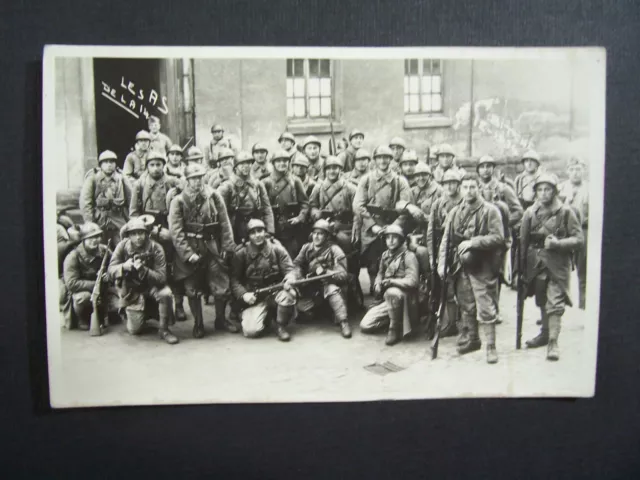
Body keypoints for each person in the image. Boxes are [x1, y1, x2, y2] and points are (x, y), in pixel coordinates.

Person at [437, 174, 506, 364]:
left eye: (473, 187)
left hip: (483, 265)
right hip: (461, 265)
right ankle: (473, 339)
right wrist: (442, 263)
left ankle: (491, 347)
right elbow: (446, 240)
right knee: (466, 304)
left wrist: (473, 242)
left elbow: (499, 237)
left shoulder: (490, 211)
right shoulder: (454, 212)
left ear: (479, 188)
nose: (469, 191)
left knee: (486, 307)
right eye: (465, 187)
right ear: (461, 189)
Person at [168, 163, 237, 338]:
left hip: (212, 247)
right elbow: (176, 231)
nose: (197, 181)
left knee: (221, 285)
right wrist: (187, 253)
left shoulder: (214, 196)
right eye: (193, 178)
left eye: (199, 177)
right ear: (187, 180)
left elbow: (224, 223)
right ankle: (198, 324)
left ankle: (220, 320)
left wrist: (227, 246)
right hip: (191, 248)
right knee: (192, 289)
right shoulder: (178, 200)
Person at [521, 174, 584, 360]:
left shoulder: (566, 212)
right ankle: (545, 333)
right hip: (537, 264)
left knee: (555, 303)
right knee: (541, 299)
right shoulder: (530, 213)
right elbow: (523, 244)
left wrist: (559, 244)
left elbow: (579, 239)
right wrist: (520, 270)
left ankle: (553, 342)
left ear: (555, 191)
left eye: (547, 189)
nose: (543, 193)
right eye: (539, 189)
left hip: (558, 265)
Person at [129, 150, 186, 321]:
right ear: (147, 166)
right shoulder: (139, 185)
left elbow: (187, 189)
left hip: (170, 224)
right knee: (153, 267)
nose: (155, 168)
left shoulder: (171, 181)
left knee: (176, 266)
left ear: (164, 165)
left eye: (159, 164)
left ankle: (179, 304)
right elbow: (133, 213)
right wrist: (147, 230)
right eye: (152, 165)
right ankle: (153, 307)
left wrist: (179, 185)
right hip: (147, 228)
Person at [353, 145, 413, 294]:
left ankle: (392, 291)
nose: (383, 161)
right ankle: (376, 292)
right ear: (374, 161)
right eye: (379, 158)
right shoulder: (366, 180)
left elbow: (406, 207)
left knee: (394, 262)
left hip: (393, 228)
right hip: (371, 229)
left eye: (386, 158)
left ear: (391, 160)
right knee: (372, 263)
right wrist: (372, 226)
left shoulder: (400, 181)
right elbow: (358, 205)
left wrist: (393, 227)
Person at [108, 218, 179, 345]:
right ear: (128, 235)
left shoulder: (156, 248)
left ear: (146, 233)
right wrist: (123, 267)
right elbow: (110, 270)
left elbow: (162, 278)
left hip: (152, 286)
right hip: (132, 290)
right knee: (134, 330)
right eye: (134, 234)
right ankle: (141, 314)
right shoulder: (122, 246)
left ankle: (164, 330)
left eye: (141, 233)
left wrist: (144, 270)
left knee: (166, 293)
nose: (138, 237)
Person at [230, 219, 297, 340]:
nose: (257, 235)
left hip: (275, 291)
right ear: (248, 235)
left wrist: (290, 278)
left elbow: (289, 269)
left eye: (260, 231)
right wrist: (244, 294)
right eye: (253, 232)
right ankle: (266, 316)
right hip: (255, 296)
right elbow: (234, 279)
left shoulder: (277, 248)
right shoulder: (241, 253)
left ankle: (280, 325)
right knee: (251, 331)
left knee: (289, 294)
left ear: (265, 232)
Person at [284, 219, 351, 339]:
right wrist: (296, 275)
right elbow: (296, 264)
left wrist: (326, 272)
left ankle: (343, 322)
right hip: (312, 287)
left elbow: (343, 274)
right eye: (315, 233)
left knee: (332, 290)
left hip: (329, 284)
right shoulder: (306, 248)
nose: (317, 236)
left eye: (320, 234)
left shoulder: (334, 250)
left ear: (326, 236)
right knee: (300, 309)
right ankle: (322, 310)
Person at [309, 156, 361, 305]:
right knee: (313, 247)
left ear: (340, 170)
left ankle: (352, 288)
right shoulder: (318, 188)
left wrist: (355, 229)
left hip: (344, 226)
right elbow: (312, 205)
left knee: (347, 250)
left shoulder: (349, 188)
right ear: (325, 170)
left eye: (335, 168)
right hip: (324, 226)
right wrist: (315, 214)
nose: (332, 171)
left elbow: (357, 210)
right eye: (329, 168)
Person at [359, 225, 419, 345]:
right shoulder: (385, 255)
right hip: (389, 299)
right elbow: (380, 273)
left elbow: (413, 281)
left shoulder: (409, 256)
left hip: (406, 299)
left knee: (392, 292)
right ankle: (393, 318)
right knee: (365, 325)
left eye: (394, 238)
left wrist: (392, 282)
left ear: (401, 239)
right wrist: (377, 282)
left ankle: (394, 328)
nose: (390, 241)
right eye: (388, 238)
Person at [426, 170, 464, 337]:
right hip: (442, 247)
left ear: (458, 184)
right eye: (446, 183)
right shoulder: (438, 204)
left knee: (463, 285)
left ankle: (465, 321)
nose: (450, 186)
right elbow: (430, 232)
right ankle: (451, 323)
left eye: (453, 183)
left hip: (459, 246)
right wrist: (431, 255)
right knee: (445, 285)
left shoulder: (464, 202)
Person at [62, 222, 118, 331]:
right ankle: (81, 319)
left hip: (103, 290)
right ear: (83, 239)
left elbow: (115, 265)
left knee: (118, 302)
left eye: (97, 236)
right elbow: (71, 283)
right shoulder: (73, 256)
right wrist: (96, 284)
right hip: (84, 291)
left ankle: (103, 315)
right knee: (83, 298)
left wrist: (109, 274)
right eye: (90, 237)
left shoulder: (104, 250)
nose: (95, 240)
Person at [218, 150, 275, 243]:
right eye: (242, 164)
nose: (246, 167)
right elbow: (221, 214)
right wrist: (226, 238)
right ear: (236, 167)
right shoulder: (227, 186)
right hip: (235, 230)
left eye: (248, 163)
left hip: (256, 228)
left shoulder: (257, 184)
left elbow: (267, 209)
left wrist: (270, 231)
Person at [263, 149, 309, 257]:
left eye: (285, 161)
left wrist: (299, 217)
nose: (282, 163)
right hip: (273, 226)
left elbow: (305, 203)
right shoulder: (266, 182)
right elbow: (262, 207)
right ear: (273, 163)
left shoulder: (295, 181)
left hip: (291, 227)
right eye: (278, 161)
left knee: (292, 255)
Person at [80, 150, 131, 246]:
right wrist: (89, 222)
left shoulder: (122, 179)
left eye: (112, 162)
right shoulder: (93, 179)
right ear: (100, 165)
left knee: (124, 245)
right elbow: (85, 202)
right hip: (99, 219)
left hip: (118, 217)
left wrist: (131, 219)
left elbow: (131, 200)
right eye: (106, 162)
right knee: (97, 245)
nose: (109, 165)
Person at [558, 157, 588, 310]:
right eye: (572, 169)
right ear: (567, 171)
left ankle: (584, 306)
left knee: (583, 270)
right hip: (564, 233)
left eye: (578, 169)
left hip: (583, 231)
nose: (575, 173)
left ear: (584, 170)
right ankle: (557, 305)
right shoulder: (561, 188)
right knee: (560, 268)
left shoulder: (590, 189)